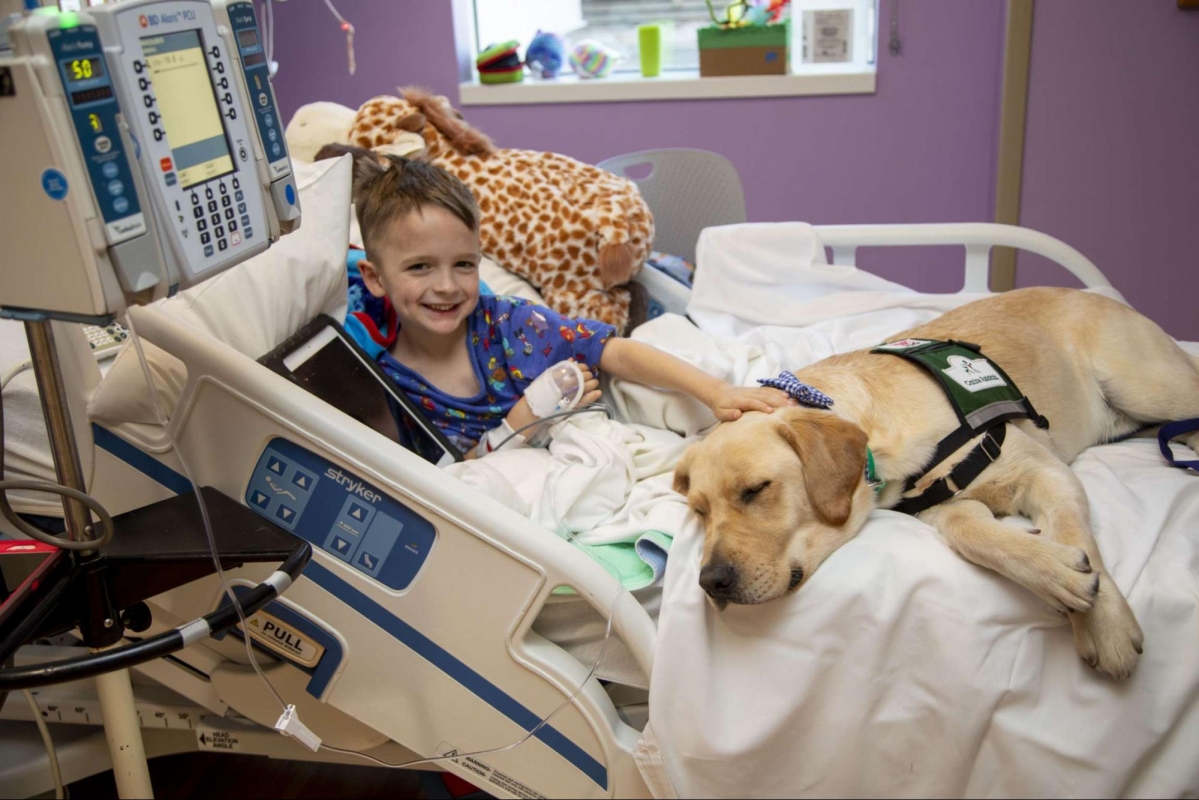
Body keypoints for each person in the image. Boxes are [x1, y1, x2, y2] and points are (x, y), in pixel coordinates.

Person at [349, 154, 792, 458]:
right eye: (420, 267)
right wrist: (519, 423)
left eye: (463, 264)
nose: (446, 286)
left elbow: (615, 351)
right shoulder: (385, 383)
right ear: (375, 277)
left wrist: (716, 392)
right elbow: (445, 480)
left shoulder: (507, 324)